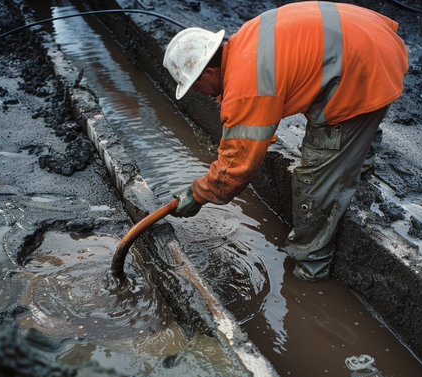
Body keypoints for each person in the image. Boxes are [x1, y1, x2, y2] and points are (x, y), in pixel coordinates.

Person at [163, 1, 407, 281]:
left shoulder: (246, 86)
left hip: (364, 67)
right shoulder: (245, 40)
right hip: (372, 40)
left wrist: (199, 194)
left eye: (195, 86)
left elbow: (237, 166)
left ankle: (310, 267)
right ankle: (355, 157)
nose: (200, 93)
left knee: (312, 180)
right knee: (344, 125)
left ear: (208, 72)